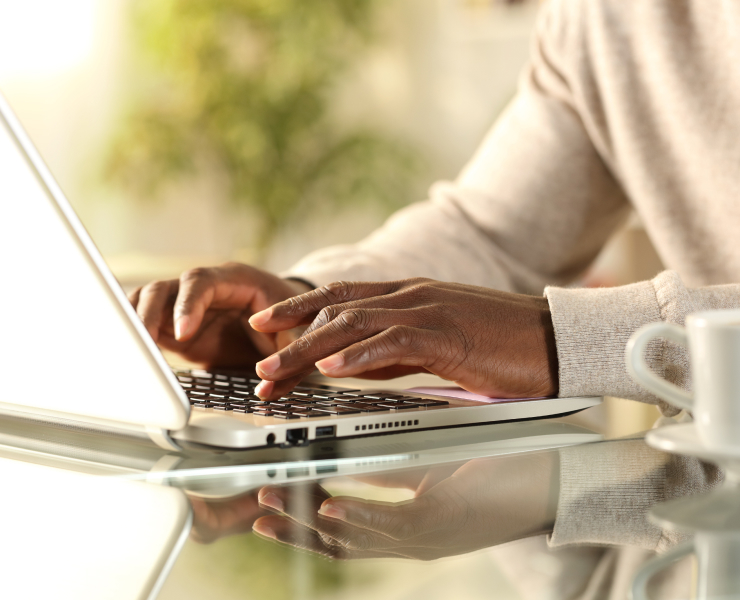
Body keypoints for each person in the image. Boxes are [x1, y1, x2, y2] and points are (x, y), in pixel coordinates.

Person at [131, 0, 740, 411]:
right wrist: (302, 310)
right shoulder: (612, 17)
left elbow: (535, 320)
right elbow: (489, 234)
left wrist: (562, 339)